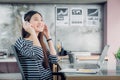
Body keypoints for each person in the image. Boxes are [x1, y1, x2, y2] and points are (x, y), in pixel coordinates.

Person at [15, 10, 58, 80]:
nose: (40, 22)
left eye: (41, 20)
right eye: (36, 19)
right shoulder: (21, 42)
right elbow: (38, 55)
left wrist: (48, 37)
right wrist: (32, 32)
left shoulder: (38, 43)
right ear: (26, 23)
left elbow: (54, 60)